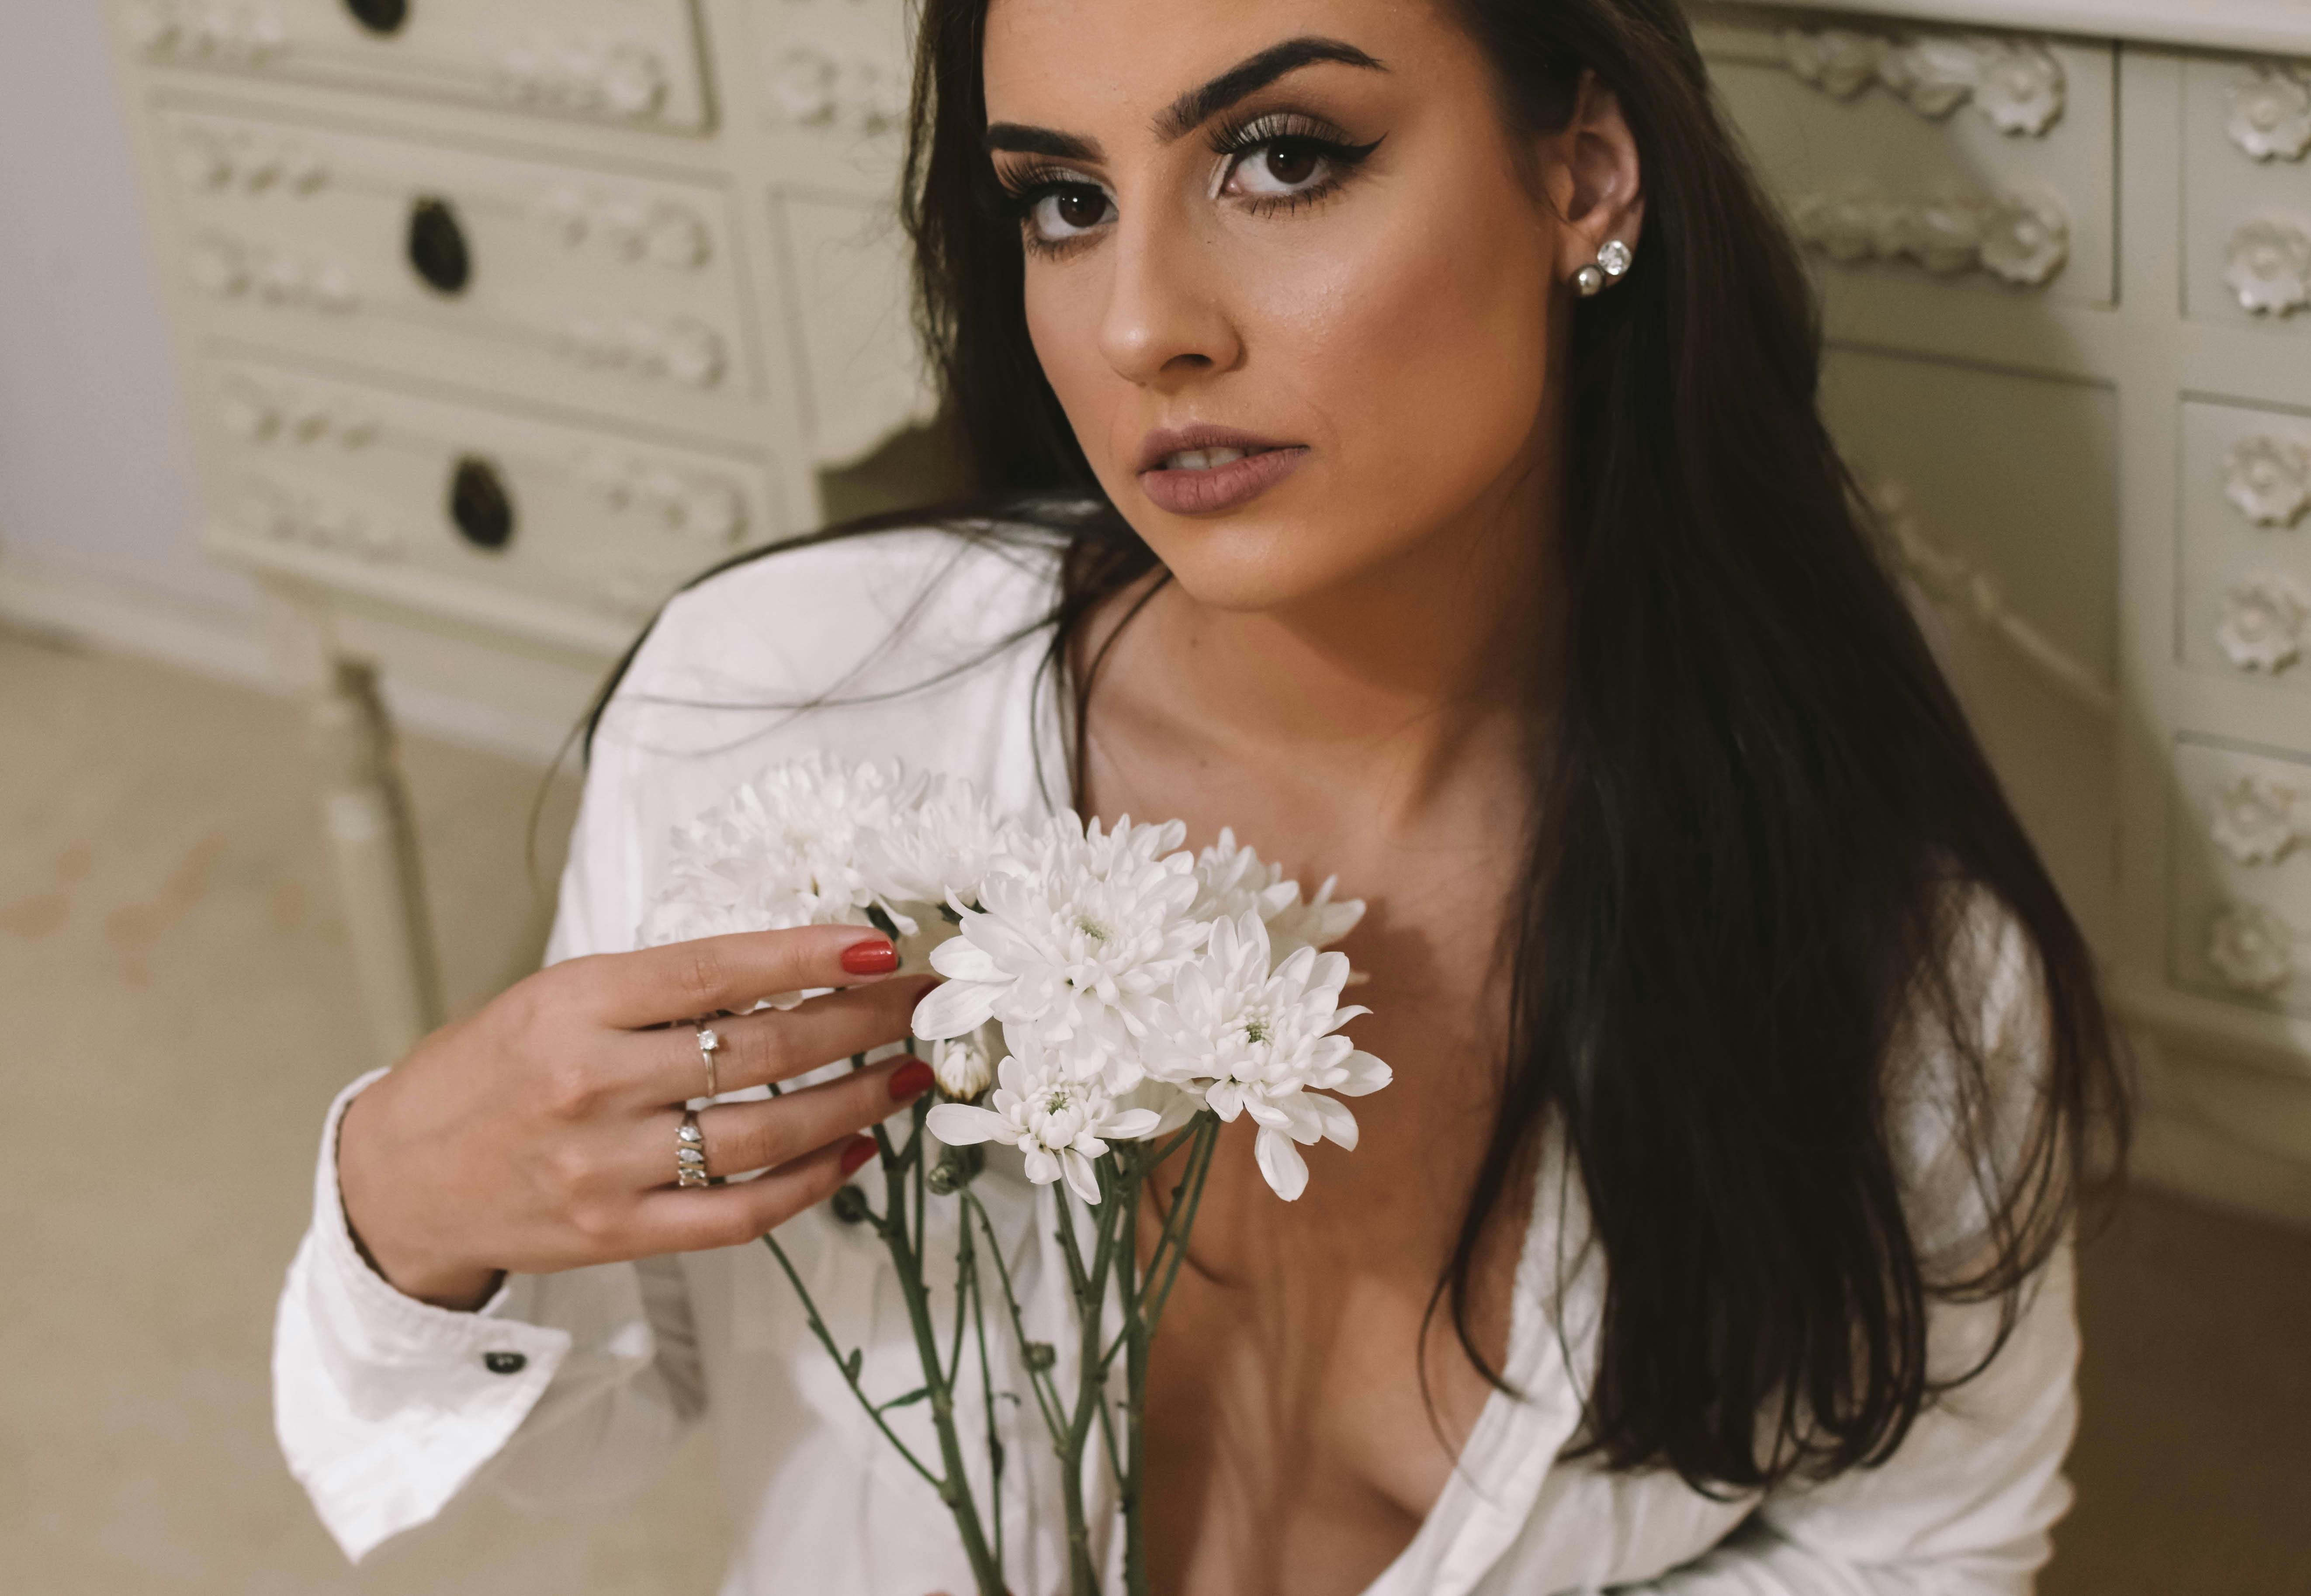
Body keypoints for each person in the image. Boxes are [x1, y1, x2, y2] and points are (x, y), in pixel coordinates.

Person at [274, 1, 2128, 1592]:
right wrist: (409, 1196)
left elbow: (1916, 1538)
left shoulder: (1888, 953)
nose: (1143, 319)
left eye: (1283, 156)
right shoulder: (782, 712)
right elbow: (582, 1414)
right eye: (1064, 201)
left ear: (1583, 178)